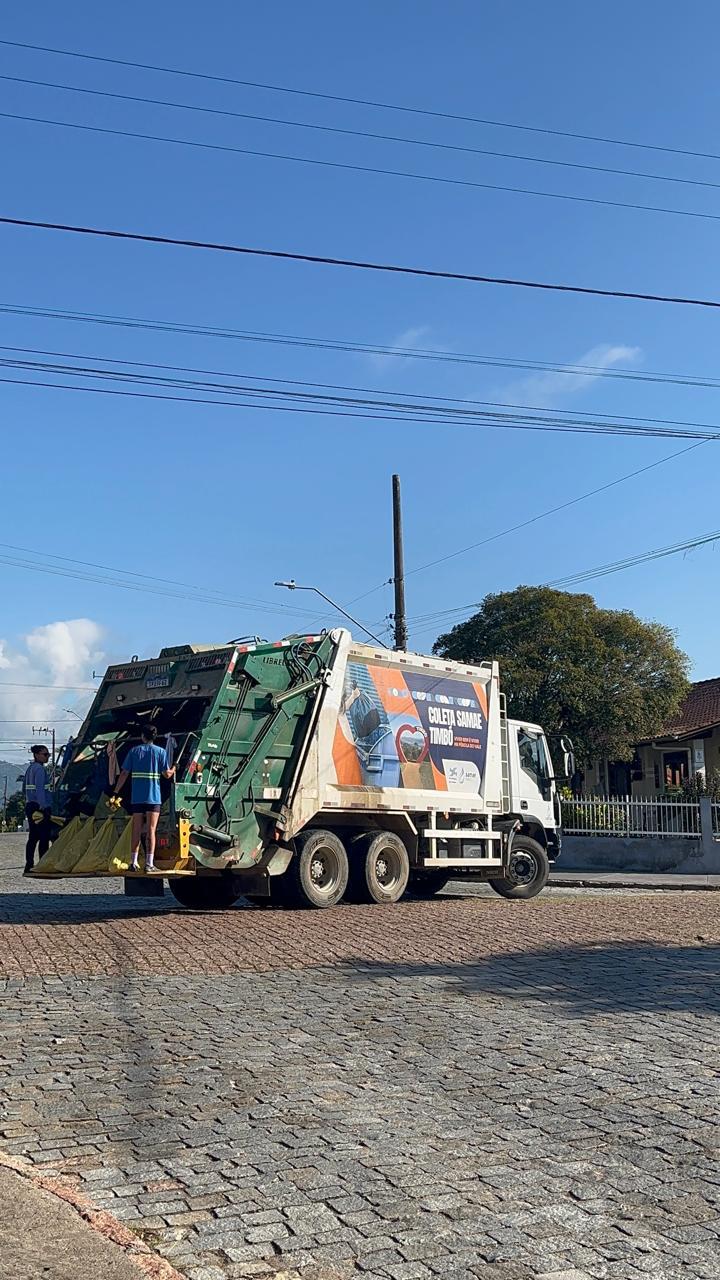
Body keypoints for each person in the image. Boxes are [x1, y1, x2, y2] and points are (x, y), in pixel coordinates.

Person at [113, 726, 175, 872]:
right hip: (153, 798)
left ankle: (133, 862)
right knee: (151, 830)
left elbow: (124, 773)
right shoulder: (161, 752)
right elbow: (167, 775)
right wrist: (174, 768)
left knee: (136, 830)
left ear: (142, 736)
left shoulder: (134, 751)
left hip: (137, 798)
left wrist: (116, 791)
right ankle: (149, 864)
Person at [23, 744, 53, 873]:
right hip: (39, 806)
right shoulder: (40, 770)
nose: (47, 757)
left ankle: (29, 865)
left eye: (48, 754)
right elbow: (40, 790)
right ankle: (43, 865)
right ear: (36, 755)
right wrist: (43, 806)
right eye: (45, 754)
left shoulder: (30, 769)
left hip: (30, 805)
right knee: (44, 836)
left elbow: (24, 788)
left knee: (33, 837)